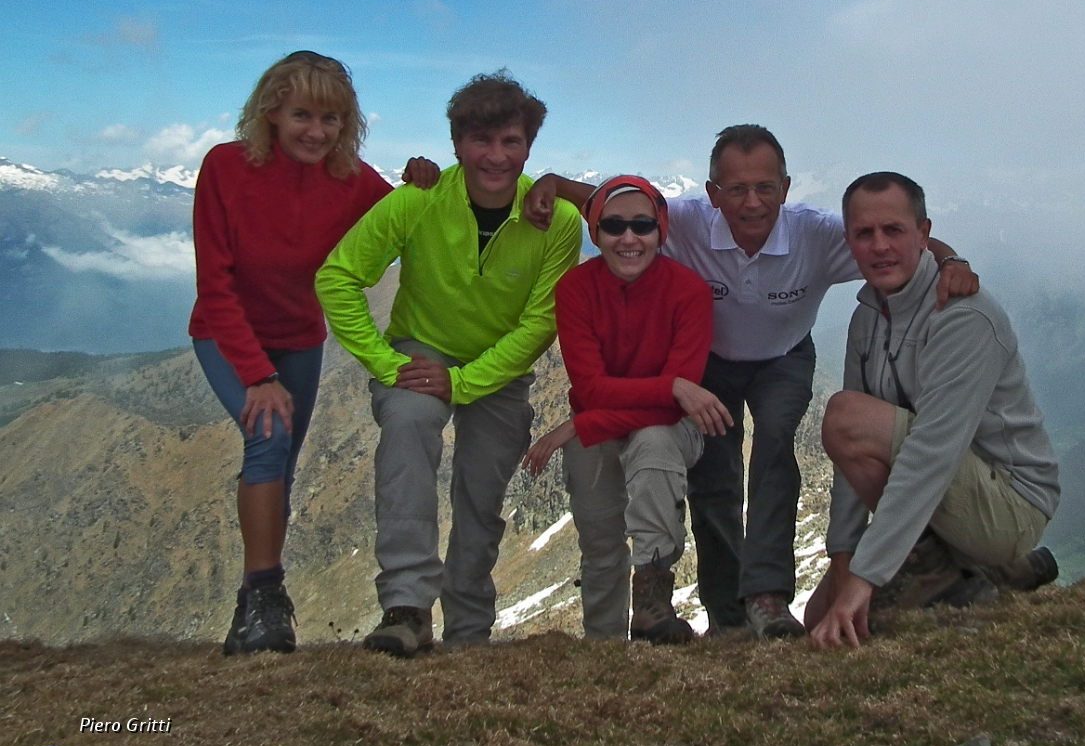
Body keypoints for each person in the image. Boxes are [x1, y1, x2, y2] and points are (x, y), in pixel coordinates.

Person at [490, 125, 979, 639]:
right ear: (712, 194)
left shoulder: (815, 234)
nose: (751, 202)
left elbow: (900, 233)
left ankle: (768, 597)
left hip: (783, 358)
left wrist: (950, 260)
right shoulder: (678, 220)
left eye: (765, 188)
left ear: (786, 189)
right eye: (736, 189)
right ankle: (726, 613)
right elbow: (607, 202)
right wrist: (547, 181)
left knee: (774, 446)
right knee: (715, 472)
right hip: (711, 361)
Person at [316, 71, 582, 656]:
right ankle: (407, 607)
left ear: (529, 147)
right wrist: (386, 365)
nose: (496, 156)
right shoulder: (417, 200)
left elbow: (541, 320)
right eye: (482, 141)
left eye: (511, 142)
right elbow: (337, 277)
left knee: (482, 495)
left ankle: (468, 630)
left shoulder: (558, 220)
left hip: (498, 368)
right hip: (419, 352)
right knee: (409, 423)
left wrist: (464, 380)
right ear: (457, 144)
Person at [190, 50, 398, 654]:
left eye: (331, 119)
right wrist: (255, 375)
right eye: (303, 114)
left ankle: (255, 610)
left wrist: (427, 180)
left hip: (300, 340)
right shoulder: (226, 167)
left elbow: (414, 218)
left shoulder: (352, 181)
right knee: (270, 437)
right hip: (225, 335)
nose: (316, 131)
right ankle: (264, 595)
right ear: (272, 112)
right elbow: (216, 284)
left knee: (280, 464)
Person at [808, 172, 1060, 650]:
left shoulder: (963, 316)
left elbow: (931, 453)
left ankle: (947, 574)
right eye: (864, 233)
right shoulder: (867, 319)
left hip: (1010, 500)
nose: (879, 245)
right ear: (849, 242)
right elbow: (849, 461)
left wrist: (864, 580)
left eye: (894, 230)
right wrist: (842, 561)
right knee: (817, 615)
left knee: (845, 416)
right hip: (954, 497)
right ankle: (993, 572)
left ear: (924, 235)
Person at [522, 176, 733, 643]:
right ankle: (604, 643)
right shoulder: (576, 289)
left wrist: (580, 425)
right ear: (594, 233)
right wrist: (673, 387)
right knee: (600, 538)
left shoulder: (689, 292)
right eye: (614, 226)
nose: (629, 238)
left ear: (661, 232)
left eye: (643, 225)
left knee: (655, 442)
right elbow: (595, 388)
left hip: (666, 429)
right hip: (613, 421)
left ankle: (653, 604)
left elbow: (671, 411)